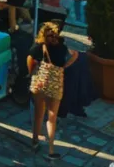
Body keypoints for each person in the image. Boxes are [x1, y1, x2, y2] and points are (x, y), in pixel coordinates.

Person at [29, 22, 77, 159]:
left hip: (41, 84)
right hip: (56, 86)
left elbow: (29, 59)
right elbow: (75, 54)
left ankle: (34, 140)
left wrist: (32, 73)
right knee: (52, 118)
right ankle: (50, 149)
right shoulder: (62, 47)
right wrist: (64, 67)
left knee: (38, 113)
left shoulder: (39, 47)